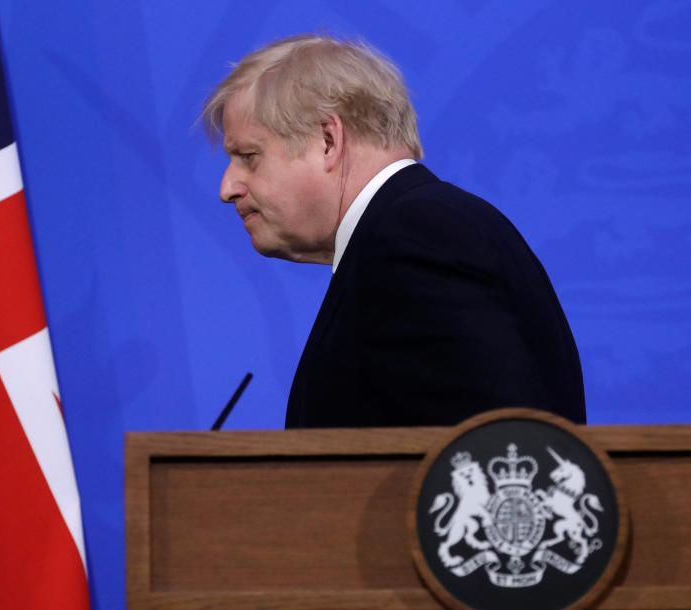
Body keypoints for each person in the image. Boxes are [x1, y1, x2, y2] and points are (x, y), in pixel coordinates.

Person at [202, 35, 586, 429]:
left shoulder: (414, 239)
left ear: (328, 140)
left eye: (249, 156)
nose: (227, 188)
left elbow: (496, 453)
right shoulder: (419, 229)